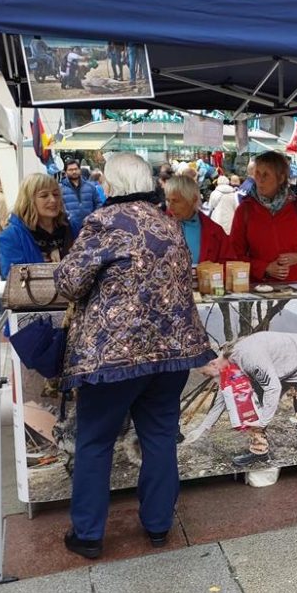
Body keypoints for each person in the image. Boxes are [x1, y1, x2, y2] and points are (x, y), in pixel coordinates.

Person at [54, 152, 213, 559]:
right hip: (173, 352)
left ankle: (88, 534)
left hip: (114, 357)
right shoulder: (168, 223)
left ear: (111, 185)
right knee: (159, 437)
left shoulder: (104, 223)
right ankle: (158, 525)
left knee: (95, 440)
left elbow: (70, 282)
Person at [186, 331, 297, 466]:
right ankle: (260, 453)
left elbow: (273, 388)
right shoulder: (229, 368)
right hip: (280, 369)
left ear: (213, 364)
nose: (209, 378)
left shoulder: (248, 358)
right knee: (252, 409)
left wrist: (263, 421)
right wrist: (202, 428)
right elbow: (221, 400)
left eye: (207, 374)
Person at [230, 150, 297, 283]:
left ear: (280, 178)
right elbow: (235, 254)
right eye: (257, 174)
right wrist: (264, 267)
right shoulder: (245, 210)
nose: (260, 180)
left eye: (266, 175)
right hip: (263, 288)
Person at [0, 173, 79, 279]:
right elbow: (13, 279)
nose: (53, 200)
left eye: (56, 194)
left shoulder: (74, 228)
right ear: (29, 200)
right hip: (34, 295)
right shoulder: (11, 237)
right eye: (44, 195)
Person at [164, 174, 235, 265]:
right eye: (168, 200)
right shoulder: (159, 227)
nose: (170, 206)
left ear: (193, 199)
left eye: (176, 201)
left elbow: (229, 264)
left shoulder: (215, 231)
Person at [59, 159, 102, 230]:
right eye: (70, 170)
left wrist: (93, 217)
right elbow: (59, 207)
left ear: (80, 170)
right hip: (70, 228)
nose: (74, 171)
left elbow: (98, 203)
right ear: (66, 172)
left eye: (76, 169)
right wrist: (68, 218)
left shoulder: (90, 187)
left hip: (90, 226)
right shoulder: (60, 189)